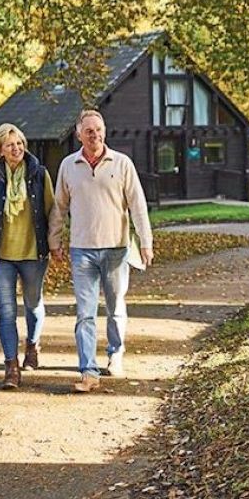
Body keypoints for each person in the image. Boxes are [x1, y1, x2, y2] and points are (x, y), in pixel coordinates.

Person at [49, 109, 153, 393]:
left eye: (98, 129)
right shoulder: (69, 165)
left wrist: (145, 241)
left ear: (104, 131)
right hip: (82, 250)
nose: (94, 135)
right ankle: (88, 370)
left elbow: (138, 206)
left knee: (116, 306)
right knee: (85, 312)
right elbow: (59, 207)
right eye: (89, 131)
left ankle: (115, 354)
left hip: (116, 248)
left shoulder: (122, 163)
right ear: (79, 135)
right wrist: (53, 241)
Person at [0, 123, 57, 390]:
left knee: (33, 303)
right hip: (1, 255)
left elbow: (52, 211)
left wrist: (55, 243)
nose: (16, 148)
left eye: (19, 143)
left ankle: (32, 345)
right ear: (0, 150)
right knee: (6, 311)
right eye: (10, 145)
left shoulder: (39, 174)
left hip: (33, 252)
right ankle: (11, 367)